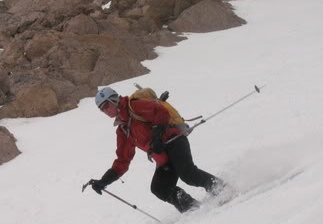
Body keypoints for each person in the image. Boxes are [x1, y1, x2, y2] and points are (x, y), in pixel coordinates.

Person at [89, 86, 224, 213]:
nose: (105, 111)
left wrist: (157, 135)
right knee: (159, 188)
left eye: (106, 105)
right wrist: (104, 181)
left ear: (114, 100)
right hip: (162, 156)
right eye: (101, 109)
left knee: (188, 174)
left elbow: (160, 112)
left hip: (174, 141)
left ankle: (221, 189)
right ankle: (191, 208)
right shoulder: (123, 130)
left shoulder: (133, 106)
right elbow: (123, 160)